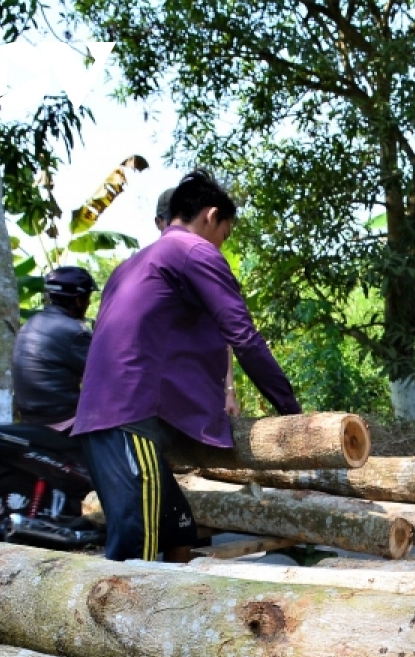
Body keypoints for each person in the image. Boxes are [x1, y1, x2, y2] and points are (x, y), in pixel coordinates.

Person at [73, 169, 302, 563]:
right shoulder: (194, 251)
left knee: (178, 527)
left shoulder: (133, 264)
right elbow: (243, 337)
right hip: (131, 419)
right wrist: (291, 411)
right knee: (135, 565)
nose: (221, 245)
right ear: (211, 216)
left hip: (105, 414)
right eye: (225, 235)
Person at [156, 185, 240, 417]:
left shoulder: (199, 261)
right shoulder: (153, 271)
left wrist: (229, 390)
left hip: (197, 396)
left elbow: (230, 333)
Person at [11, 266, 97, 431]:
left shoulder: (31, 323)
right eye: (87, 298)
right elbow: (103, 376)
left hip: (30, 417)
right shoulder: (75, 331)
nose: (89, 303)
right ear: (78, 300)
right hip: (62, 418)